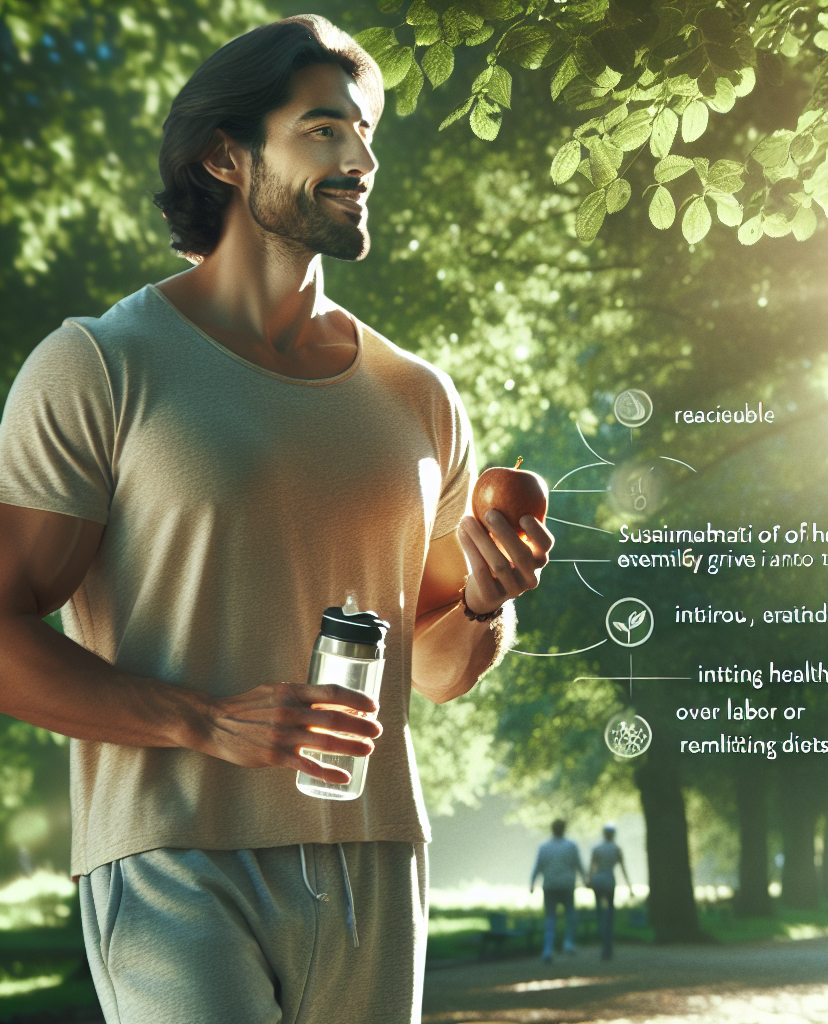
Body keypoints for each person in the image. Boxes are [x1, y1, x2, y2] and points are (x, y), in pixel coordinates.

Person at [0, 15, 554, 1024]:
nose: (361, 157)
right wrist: (203, 722)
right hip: (172, 853)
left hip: (374, 857)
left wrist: (482, 598)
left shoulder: (419, 396)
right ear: (225, 154)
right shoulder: (100, 365)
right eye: (324, 130)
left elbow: (435, 671)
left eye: (365, 133)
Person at [530, 820, 587, 962]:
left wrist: (532, 883)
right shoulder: (571, 846)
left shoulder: (544, 847)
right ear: (564, 829)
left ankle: (547, 949)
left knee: (550, 918)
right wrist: (585, 879)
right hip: (567, 885)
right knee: (570, 915)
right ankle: (568, 942)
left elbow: (538, 866)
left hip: (549, 886)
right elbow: (579, 864)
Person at [589, 824, 633, 960]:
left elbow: (592, 866)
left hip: (597, 881)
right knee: (609, 914)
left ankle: (603, 940)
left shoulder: (597, 849)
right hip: (609, 881)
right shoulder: (616, 849)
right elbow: (622, 868)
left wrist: (589, 879)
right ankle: (607, 946)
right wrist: (629, 886)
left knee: (600, 913)